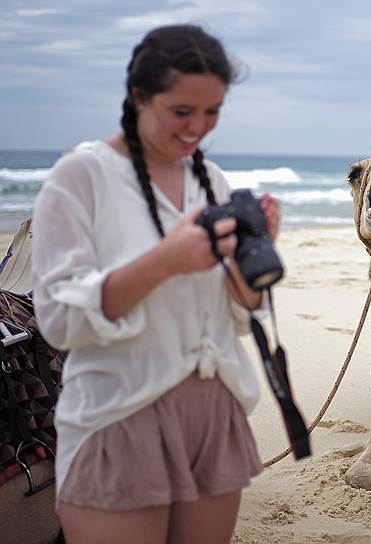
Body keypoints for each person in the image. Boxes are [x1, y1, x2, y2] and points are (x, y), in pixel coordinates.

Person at [31, 25, 280, 544]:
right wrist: (164, 262)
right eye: (182, 112)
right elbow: (57, 319)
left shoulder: (210, 179)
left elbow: (239, 311)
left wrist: (256, 256)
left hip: (214, 414)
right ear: (139, 96)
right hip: (120, 415)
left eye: (212, 112)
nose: (198, 128)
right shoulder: (81, 176)